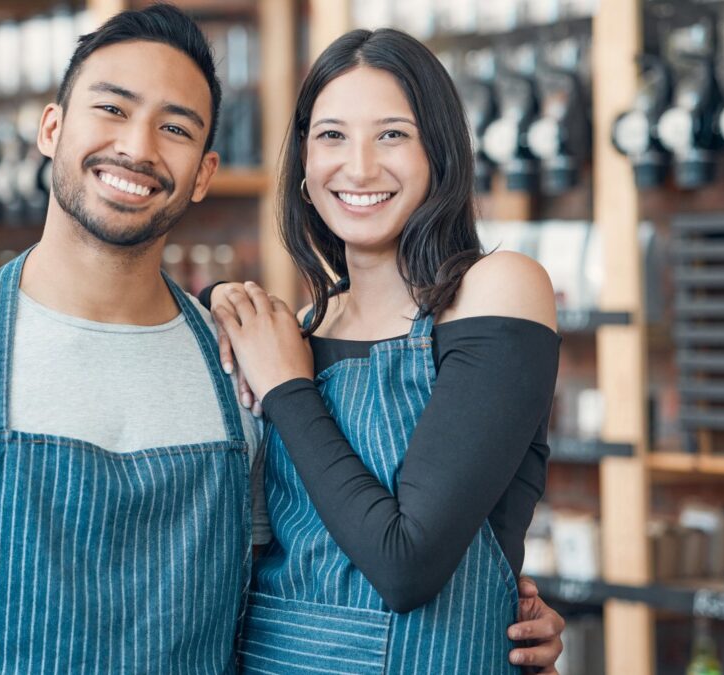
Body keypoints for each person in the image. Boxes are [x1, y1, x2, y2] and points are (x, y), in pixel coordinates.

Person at [0, 6, 563, 674]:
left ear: (204, 172)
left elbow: (297, 578)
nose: (137, 148)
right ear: (51, 128)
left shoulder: (241, 362)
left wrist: (496, 604)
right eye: (111, 109)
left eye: (174, 127)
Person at [208, 27, 563, 674]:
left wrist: (289, 389)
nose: (360, 166)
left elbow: (407, 564)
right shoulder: (297, 329)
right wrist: (227, 309)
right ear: (306, 165)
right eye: (332, 135)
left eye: (392, 134)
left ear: (440, 152)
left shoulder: (497, 288)